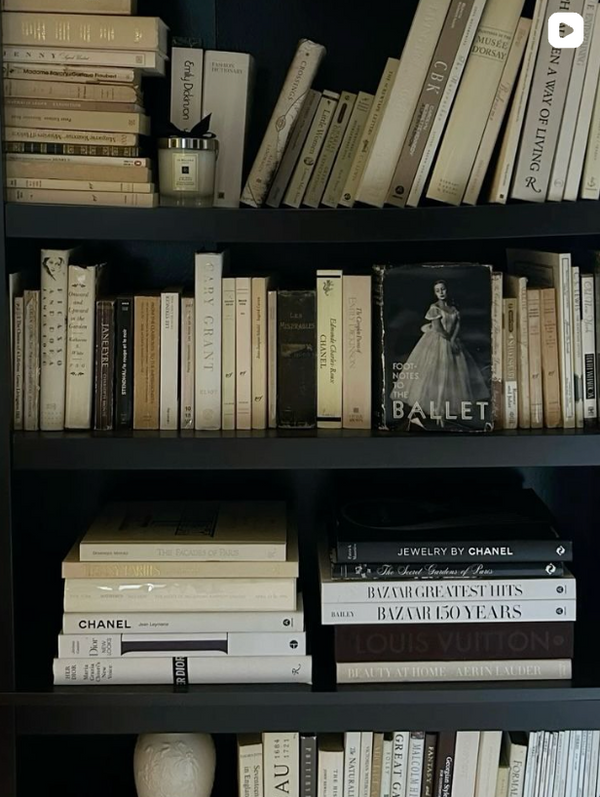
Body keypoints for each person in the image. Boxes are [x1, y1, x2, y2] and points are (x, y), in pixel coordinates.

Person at [397, 279, 488, 422]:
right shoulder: (434, 308)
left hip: (451, 339)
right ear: (434, 293)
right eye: (438, 290)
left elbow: (457, 325)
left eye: (443, 289)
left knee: (454, 375)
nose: (441, 292)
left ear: (447, 290)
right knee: (437, 374)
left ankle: (447, 410)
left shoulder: (453, 309)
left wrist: (453, 340)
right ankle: (437, 410)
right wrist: (448, 340)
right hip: (438, 340)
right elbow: (438, 328)